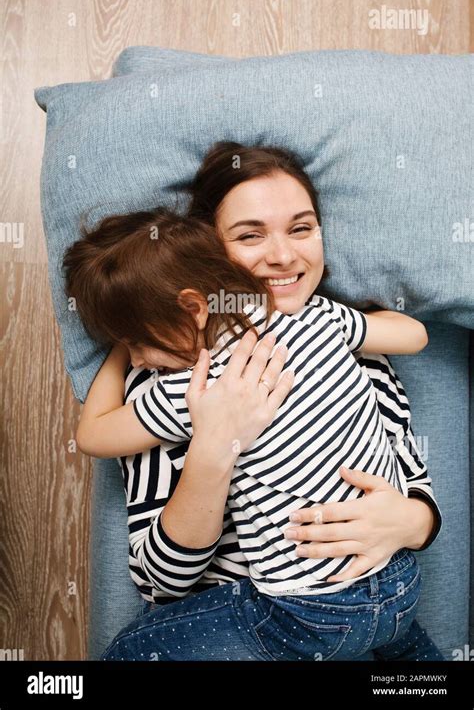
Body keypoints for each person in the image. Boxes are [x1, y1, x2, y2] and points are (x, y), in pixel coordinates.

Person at [63, 177, 444, 659]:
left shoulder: (189, 387)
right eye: (249, 235)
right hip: (401, 590)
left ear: (192, 307)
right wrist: (211, 448)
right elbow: (415, 336)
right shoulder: (322, 320)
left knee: (132, 650)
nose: (141, 360)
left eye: (141, 342)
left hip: (307, 615)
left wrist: (116, 351)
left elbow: (94, 433)